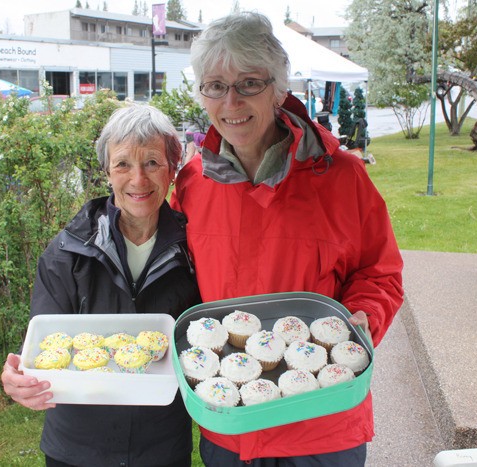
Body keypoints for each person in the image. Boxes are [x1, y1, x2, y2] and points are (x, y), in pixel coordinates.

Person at [170, 12, 404, 466]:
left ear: (279, 89)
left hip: (323, 426)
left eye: (249, 82)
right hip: (231, 425)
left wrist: (365, 317)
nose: (231, 101)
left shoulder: (342, 178)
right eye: (215, 85)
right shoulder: (192, 184)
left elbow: (380, 273)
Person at [0, 104, 201, 467]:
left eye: (152, 163)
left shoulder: (195, 248)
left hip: (161, 446)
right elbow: (44, 345)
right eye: (123, 164)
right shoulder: (67, 252)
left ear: (173, 169)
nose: (138, 180)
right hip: (78, 447)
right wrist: (21, 377)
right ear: (107, 171)